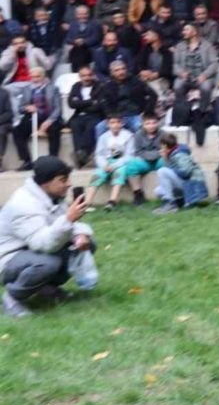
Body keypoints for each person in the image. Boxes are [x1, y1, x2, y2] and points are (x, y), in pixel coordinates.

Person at [0, 157, 95, 318]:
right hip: (7, 260)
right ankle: (12, 297)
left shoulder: (51, 196)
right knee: (49, 262)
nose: (69, 184)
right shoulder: (23, 205)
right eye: (63, 180)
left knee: (86, 245)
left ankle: (46, 289)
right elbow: (43, 244)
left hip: (28, 253)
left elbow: (64, 227)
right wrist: (68, 219)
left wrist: (80, 234)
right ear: (45, 182)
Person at [84, 113, 133, 211]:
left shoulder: (128, 136)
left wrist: (115, 165)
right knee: (98, 175)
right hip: (106, 162)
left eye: (118, 122)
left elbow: (130, 155)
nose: (115, 125)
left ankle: (112, 201)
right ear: (108, 124)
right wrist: (104, 165)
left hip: (121, 161)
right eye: (112, 122)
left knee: (119, 173)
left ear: (122, 123)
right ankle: (87, 203)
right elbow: (99, 154)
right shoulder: (103, 137)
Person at [152, 133, 207, 214]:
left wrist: (172, 171)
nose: (161, 148)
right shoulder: (172, 153)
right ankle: (180, 201)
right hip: (184, 183)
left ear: (165, 146)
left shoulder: (180, 154)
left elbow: (186, 172)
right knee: (158, 191)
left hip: (192, 184)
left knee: (162, 171)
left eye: (162, 146)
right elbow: (170, 171)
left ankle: (170, 204)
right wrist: (165, 158)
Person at [119, 114, 164, 207]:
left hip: (158, 161)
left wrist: (153, 154)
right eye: (148, 123)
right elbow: (138, 152)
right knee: (131, 166)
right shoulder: (138, 134)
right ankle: (138, 193)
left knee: (166, 163)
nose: (151, 126)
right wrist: (155, 154)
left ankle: (165, 192)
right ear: (143, 124)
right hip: (144, 161)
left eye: (154, 123)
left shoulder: (163, 134)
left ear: (158, 123)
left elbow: (164, 150)